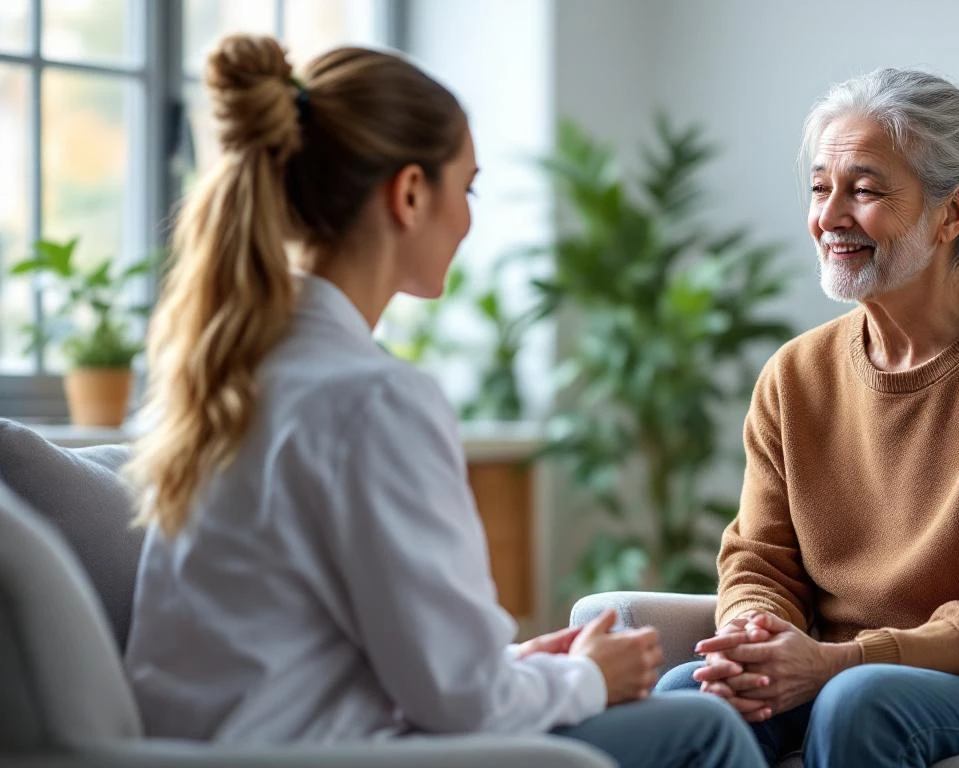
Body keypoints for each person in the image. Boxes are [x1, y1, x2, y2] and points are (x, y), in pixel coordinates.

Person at [121, 34, 766, 768]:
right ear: (409, 194)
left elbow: (375, 656)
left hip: (215, 750)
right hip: (326, 756)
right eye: (468, 188)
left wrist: (526, 665)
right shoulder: (371, 399)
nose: (466, 218)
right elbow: (460, 704)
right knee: (702, 730)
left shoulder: (218, 377)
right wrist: (589, 675)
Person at [657, 68, 959, 767]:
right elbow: (760, 559)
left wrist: (841, 662)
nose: (830, 216)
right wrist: (756, 638)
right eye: (820, 187)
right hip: (849, 667)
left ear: (952, 214)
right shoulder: (794, 376)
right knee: (692, 696)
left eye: (863, 190)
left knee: (860, 701)